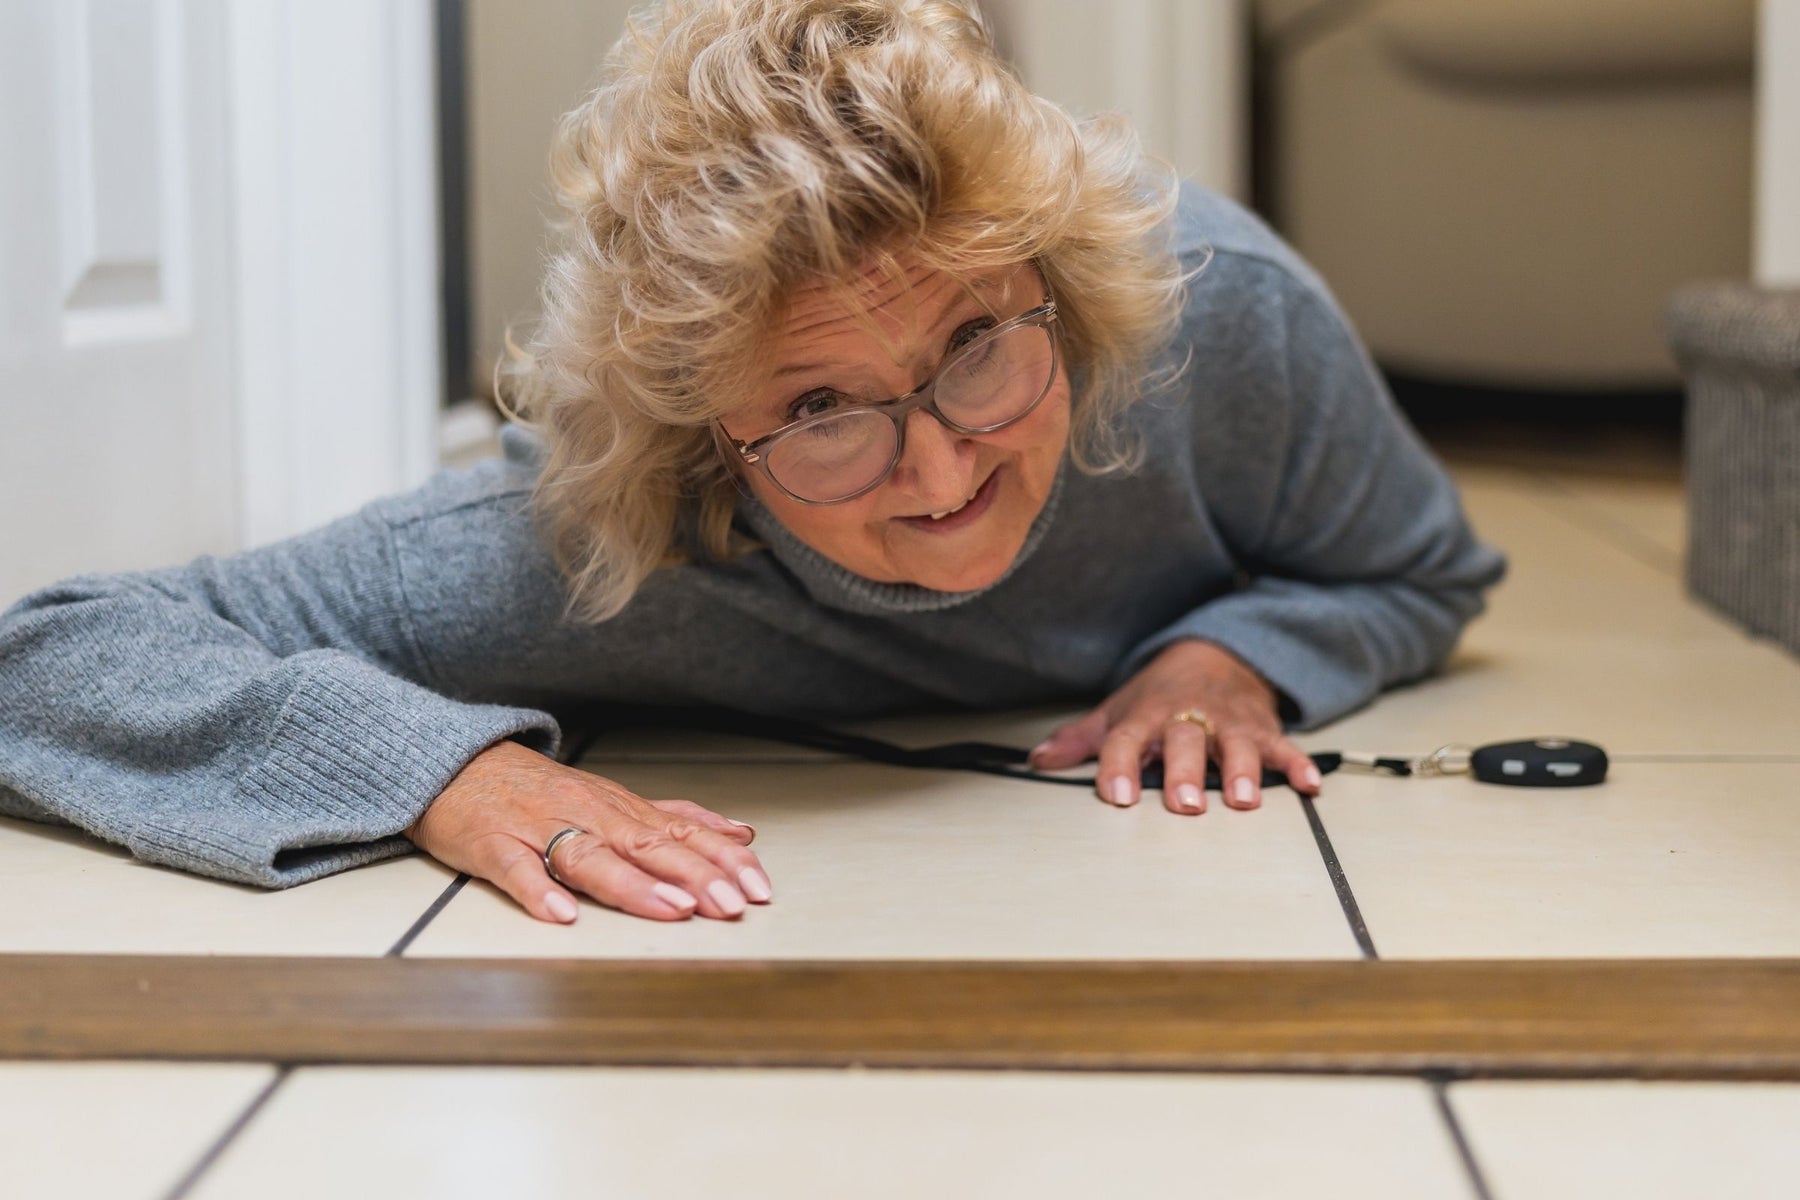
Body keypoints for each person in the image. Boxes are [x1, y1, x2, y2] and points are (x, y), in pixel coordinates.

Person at [0, 0, 1504, 927]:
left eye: (978, 346)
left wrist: (1236, 658)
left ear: (1063, 287)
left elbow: (1418, 561)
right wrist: (435, 772)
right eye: (824, 412)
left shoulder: (1217, 318)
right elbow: (49, 653)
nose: (935, 471)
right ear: (699, 435)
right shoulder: (562, 549)